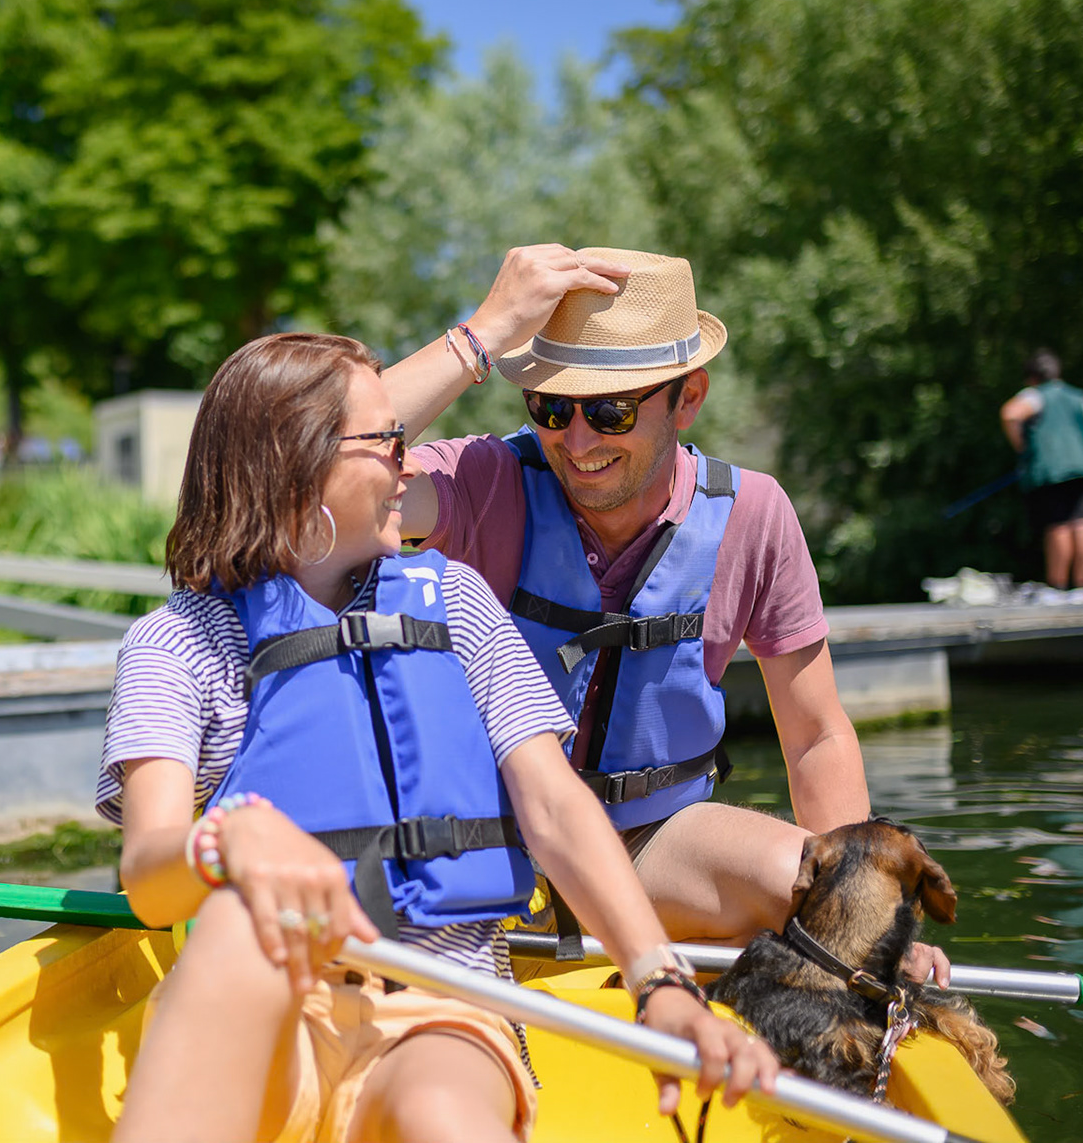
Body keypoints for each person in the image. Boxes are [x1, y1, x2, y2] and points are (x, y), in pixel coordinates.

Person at [103, 333, 774, 1143]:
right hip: (271, 1003)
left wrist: (658, 978)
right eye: (389, 442)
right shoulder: (179, 643)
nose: (410, 464)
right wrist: (225, 843)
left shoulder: (455, 601)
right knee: (245, 925)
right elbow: (149, 874)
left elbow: (555, 806)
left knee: (443, 1114)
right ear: (299, 464)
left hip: (442, 1008)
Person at [380, 245, 951, 984]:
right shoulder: (482, 481)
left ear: (688, 399)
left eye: (611, 410)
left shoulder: (754, 514)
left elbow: (814, 735)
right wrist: (482, 333)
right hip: (485, 844)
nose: (577, 441)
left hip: (656, 853)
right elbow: (314, 469)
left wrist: (868, 910)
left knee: (817, 887)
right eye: (552, 406)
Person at [1000, 348, 1083, 603]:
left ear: (1033, 377)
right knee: (1081, 520)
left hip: (1051, 468)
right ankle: (1080, 588)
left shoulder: (1035, 395)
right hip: (1080, 465)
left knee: (1057, 523)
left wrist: (1022, 446)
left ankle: (1057, 587)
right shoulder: (1079, 396)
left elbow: (1009, 413)